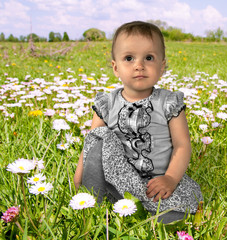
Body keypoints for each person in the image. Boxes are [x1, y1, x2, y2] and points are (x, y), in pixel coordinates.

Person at [73, 21, 203, 223]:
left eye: (149, 58)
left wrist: (170, 178)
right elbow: (91, 143)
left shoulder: (168, 103)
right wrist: (79, 176)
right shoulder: (107, 103)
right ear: (116, 68)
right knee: (100, 135)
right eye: (129, 58)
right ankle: (94, 203)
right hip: (117, 177)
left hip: (157, 181)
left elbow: (182, 144)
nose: (139, 65)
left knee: (177, 210)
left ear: (162, 67)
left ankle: (152, 212)